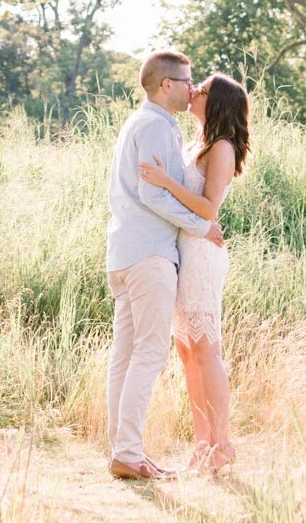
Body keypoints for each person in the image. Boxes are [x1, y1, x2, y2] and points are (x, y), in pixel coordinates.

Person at [105, 49, 226, 483]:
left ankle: (122, 449)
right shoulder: (157, 125)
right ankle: (130, 453)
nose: (191, 88)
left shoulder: (138, 123)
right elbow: (155, 194)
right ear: (165, 85)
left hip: (123, 252)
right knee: (149, 352)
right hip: (150, 255)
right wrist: (201, 224)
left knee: (125, 354)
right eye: (186, 80)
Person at [139, 71, 250, 475]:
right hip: (183, 250)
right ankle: (202, 443)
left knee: (206, 349)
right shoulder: (197, 143)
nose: (193, 92)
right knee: (188, 353)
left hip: (202, 253)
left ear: (215, 101)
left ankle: (222, 443)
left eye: (201, 89)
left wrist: (166, 181)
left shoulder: (221, 147)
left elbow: (207, 209)